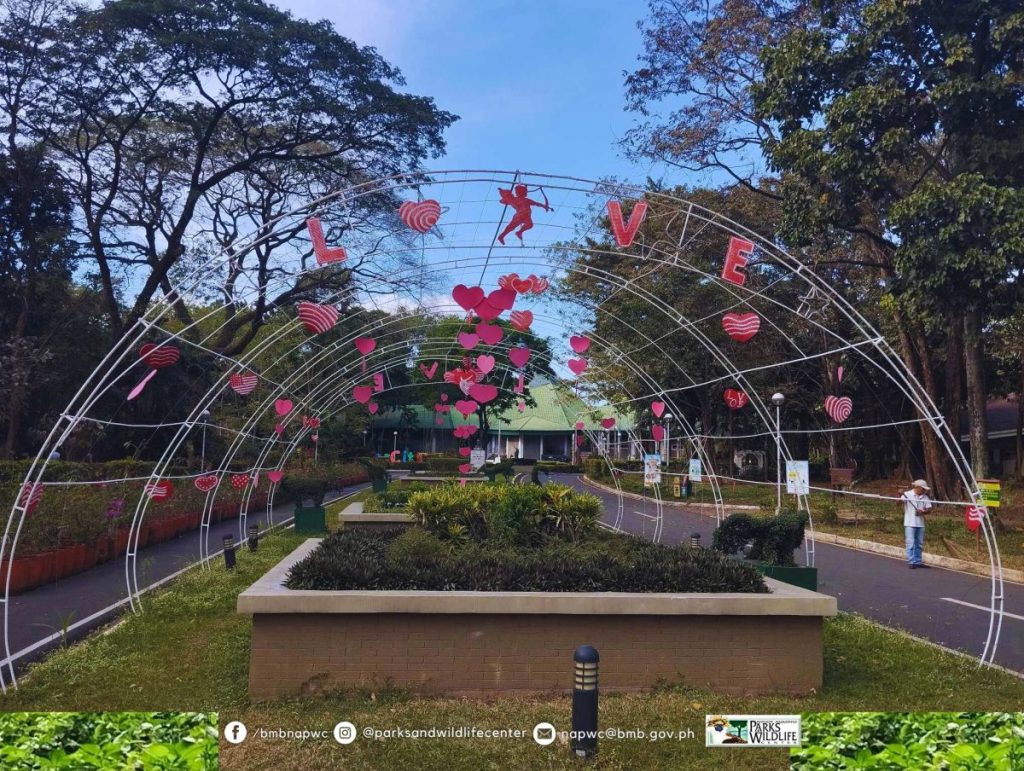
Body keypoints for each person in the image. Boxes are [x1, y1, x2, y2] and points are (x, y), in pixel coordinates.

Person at [901, 479, 933, 569]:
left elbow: (929, 509)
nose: (924, 491)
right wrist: (899, 496)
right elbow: (898, 503)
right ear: (917, 487)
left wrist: (923, 512)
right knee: (910, 543)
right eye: (923, 489)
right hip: (910, 523)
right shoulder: (907, 494)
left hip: (920, 524)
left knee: (919, 543)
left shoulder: (925, 497)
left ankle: (918, 561)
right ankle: (911, 561)